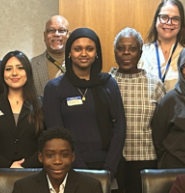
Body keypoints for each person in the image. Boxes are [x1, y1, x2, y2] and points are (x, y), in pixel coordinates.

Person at [43, 27, 126, 190]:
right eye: (77, 49)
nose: (83, 53)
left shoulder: (108, 83)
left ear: (96, 53)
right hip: (70, 168)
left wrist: (109, 170)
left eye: (89, 49)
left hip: (109, 168)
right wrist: (81, 171)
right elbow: (56, 133)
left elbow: (120, 127)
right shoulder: (54, 88)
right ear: (69, 53)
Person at [108, 27, 166, 193]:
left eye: (132, 49)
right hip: (113, 159)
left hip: (145, 158)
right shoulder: (104, 83)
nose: (126, 53)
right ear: (115, 52)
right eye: (121, 48)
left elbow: (162, 125)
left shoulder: (155, 84)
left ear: (140, 53)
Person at [0, 50, 44, 168]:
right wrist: (8, 166)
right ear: (2, 73)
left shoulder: (41, 104)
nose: (14, 73)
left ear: (28, 72)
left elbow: (47, 143)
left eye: (20, 68)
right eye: (8, 69)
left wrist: (25, 166)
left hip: (34, 172)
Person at [12, 128, 103, 193]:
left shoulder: (91, 187)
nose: (57, 161)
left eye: (64, 155)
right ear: (41, 157)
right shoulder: (23, 188)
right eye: (50, 155)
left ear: (72, 157)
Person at [140, 0, 185, 91]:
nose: (169, 22)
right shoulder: (142, 52)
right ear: (156, 20)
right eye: (164, 17)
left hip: (178, 105)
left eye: (175, 19)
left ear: (181, 24)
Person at [30, 15, 70, 95]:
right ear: (44, 35)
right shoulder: (31, 65)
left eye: (61, 30)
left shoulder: (78, 64)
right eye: (51, 30)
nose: (56, 34)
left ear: (68, 35)